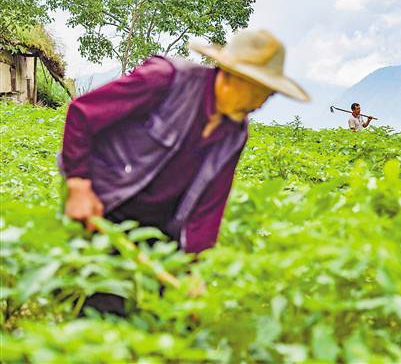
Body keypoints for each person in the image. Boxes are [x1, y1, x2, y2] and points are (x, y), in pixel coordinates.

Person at [60, 29, 310, 252]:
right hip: (104, 204)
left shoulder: (236, 133)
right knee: (97, 296)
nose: (259, 103)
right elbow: (83, 113)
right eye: (256, 91)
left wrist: (194, 263)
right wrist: (79, 186)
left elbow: (211, 202)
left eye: (268, 94)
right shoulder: (165, 79)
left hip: (159, 230)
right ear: (230, 75)